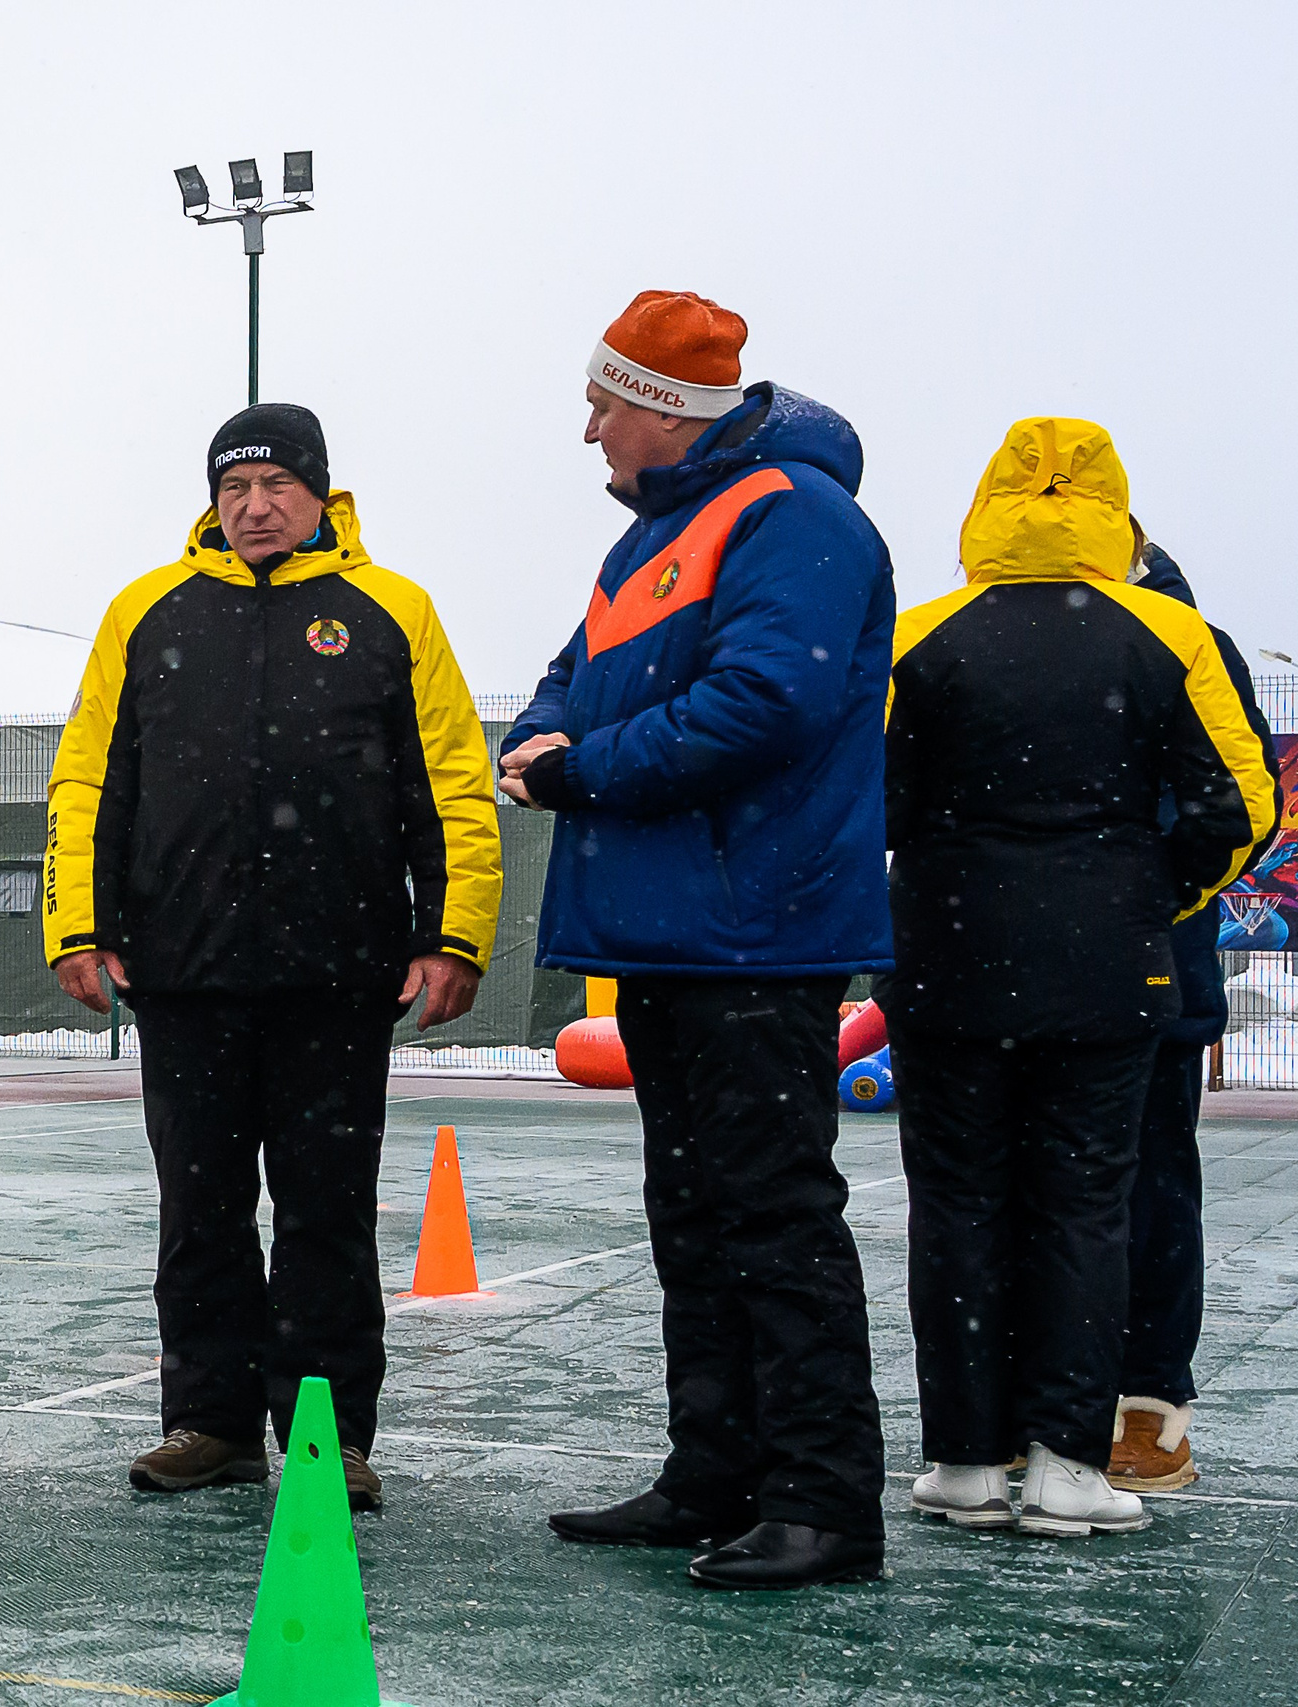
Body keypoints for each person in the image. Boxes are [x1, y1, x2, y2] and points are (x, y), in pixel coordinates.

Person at [501, 291, 894, 1589]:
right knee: (695, 1215)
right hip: (676, 934)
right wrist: (546, 737)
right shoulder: (649, 540)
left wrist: (577, 768)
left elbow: (764, 701)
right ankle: (713, 1473)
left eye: (604, 404)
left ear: (666, 411)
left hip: (756, 932)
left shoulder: (795, 516)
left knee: (773, 1216)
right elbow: (566, 679)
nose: (589, 430)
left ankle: (823, 1502)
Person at [45, 402, 503, 1514]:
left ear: (320, 494)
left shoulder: (392, 611)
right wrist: (78, 924)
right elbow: (90, 778)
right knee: (198, 1210)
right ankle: (209, 1424)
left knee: (325, 1214)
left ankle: (325, 1439)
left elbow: (449, 782)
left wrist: (453, 936)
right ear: (212, 501)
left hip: (337, 977)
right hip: (184, 972)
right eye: (234, 488)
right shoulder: (144, 611)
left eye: (276, 486)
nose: (254, 507)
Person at [886, 423, 1276, 1539]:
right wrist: (1154, 896)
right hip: (1107, 966)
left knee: (957, 1206)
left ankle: (966, 1459)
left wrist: (939, 876)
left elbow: (867, 796)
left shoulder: (921, 634)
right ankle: (1070, 1462)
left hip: (949, 958)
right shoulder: (1170, 632)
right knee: (1089, 1206)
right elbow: (1244, 804)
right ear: (1114, 512)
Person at [1106, 530, 1278, 1493]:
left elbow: (1238, 806)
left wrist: (1137, 901)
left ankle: (1151, 1404)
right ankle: (1041, 1397)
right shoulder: (1002, 628)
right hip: (1026, 968)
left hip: (1144, 974)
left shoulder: (1191, 645)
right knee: (1031, 1194)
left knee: (1151, 1188)